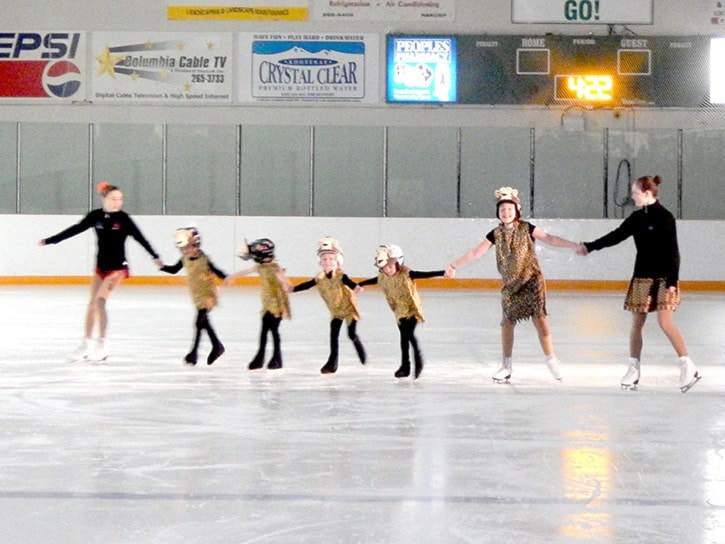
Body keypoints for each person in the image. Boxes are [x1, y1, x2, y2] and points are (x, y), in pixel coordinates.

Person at [577, 175, 701, 392]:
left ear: (646, 193)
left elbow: (674, 251)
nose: (632, 196)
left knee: (665, 322)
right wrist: (590, 246)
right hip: (642, 276)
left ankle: (687, 365)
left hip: (665, 278)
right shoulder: (636, 218)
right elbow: (616, 236)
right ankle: (634, 368)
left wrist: (673, 279)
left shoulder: (665, 217)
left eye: (634, 192)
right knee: (637, 324)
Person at [446, 187, 581, 383]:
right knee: (507, 322)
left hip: (532, 280)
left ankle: (551, 360)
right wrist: (454, 265)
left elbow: (550, 238)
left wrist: (573, 245)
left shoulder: (527, 228)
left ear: (516, 210)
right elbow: (476, 253)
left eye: (509, 209)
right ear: (498, 213)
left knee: (540, 319)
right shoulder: (495, 233)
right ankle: (506, 365)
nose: (506, 213)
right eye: (502, 210)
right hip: (510, 285)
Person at [39, 181, 162, 362]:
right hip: (100, 267)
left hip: (118, 269)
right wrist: (51, 240)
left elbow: (140, 238)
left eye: (120, 199)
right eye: (114, 199)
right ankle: (87, 343)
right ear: (104, 198)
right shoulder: (95, 216)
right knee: (91, 303)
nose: (118, 202)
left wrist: (154, 255)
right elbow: (75, 229)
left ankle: (103, 344)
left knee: (100, 302)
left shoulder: (124, 219)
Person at [357, 245, 444, 379]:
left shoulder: (406, 274)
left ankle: (417, 358)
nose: (388, 270)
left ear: (397, 264)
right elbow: (373, 281)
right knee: (404, 340)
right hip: (400, 311)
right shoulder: (383, 277)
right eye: (385, 268)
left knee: (407, 335)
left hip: (412, 309)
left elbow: (425, 274)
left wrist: (443, 272)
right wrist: (358, 284)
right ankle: (406, 366)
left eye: (391, 267)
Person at [290, 237, 366, 374]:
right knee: (334, 336)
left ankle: (358, 346)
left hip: (349, 309)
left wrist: (356, 288)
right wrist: (292, 289)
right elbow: (307, 285)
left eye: (331, 259)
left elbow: (349, 282)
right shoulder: (319, 278)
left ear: (337, 261)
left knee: (351, 334)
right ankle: (332, 363)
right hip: (336, 311)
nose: (328, 262)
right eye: (325, 259)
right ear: (320, 262)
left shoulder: (341, 275)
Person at [160, 227, 226, 366]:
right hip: (197, 296)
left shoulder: (204, 259)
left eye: (187, 248)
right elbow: (174, 270)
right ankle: (217, 346)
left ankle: (193, 353)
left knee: (199, 322)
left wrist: (226, 278)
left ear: (196, 245)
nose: (185, 251)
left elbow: (217, 271)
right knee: (204, 323)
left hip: (208, 295)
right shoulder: (185, 259)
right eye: (182, 249)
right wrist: (162, 267)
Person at [225, 238, 290, 370]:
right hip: (266, 305)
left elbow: (285, 283)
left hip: (277, 305)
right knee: (264, 331)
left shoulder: (275, 268)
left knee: (274, 332)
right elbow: (245, 272)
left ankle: (277, 358)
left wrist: (285, 306)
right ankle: (260, 358)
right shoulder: (261, 267)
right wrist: (232, 277)